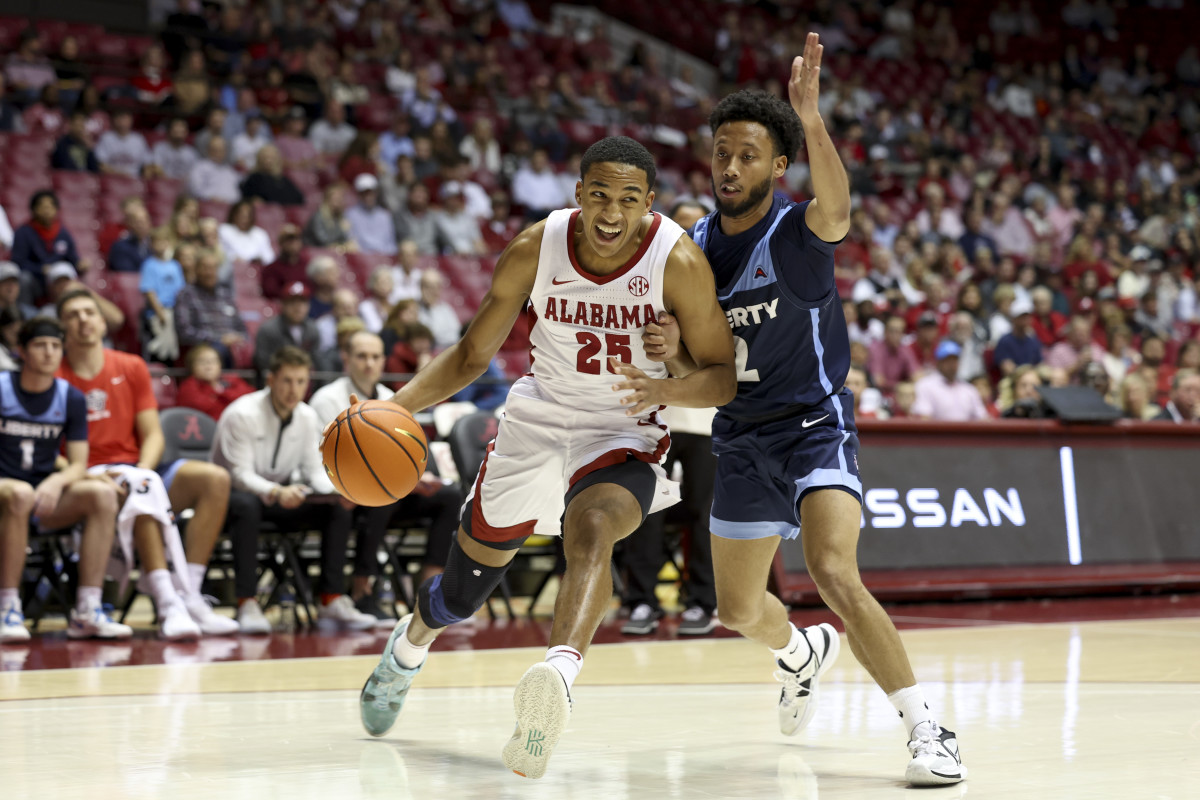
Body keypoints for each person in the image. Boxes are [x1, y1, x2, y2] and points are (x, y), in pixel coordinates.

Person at [357, 136, 736, 780]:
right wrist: (397, 405)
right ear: (577, 193)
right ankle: (408, 649)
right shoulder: (538, 247)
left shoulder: (678, 263)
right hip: (537, 419)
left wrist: (670, 375)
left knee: (591, 532)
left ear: (649, 204)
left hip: (624, 427)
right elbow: (473, 354)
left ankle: (557, 678)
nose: (611, 213)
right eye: (598, 196)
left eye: (627, 200)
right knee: (462, 593)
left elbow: (722, 378)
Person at [643, 38, 965, 785]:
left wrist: (810, 118)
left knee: (832, 572)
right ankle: (798, 652)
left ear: (777, 166)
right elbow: (703, 367)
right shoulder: (689, 254)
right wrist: (670, 356)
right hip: (742, 435)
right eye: (722, 153)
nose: (729, 167)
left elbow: (839, 205)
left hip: (816, 423)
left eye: (748, 155)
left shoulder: (795, 235)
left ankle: (928, 730)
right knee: (735, 610)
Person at [56, 289, 238, 639]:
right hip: (88, 476)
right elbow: (50, 444)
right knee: (140, 490)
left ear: (101, 319)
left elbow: (153, 434)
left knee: (214, 479)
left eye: (89, 312)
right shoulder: (57, 374)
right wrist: (74, 472)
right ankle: (168, 603)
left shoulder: (131, 365)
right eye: (73, 314)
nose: (83, 320)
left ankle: (190, 595)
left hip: (137, 467)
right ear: (63, 326)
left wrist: (142, 468)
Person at [211, 346, 378, 633]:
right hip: (229, 501)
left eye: (301, 382)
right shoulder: (241, 414)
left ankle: (331, 598)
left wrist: (340, 492)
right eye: (287, 381)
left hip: (279, 497)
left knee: (336, 507)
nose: (294, 389)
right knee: (246, 506)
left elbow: (315, 471)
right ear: (271, 380)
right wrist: (276, 492)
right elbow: (239, 475)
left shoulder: (306, 416)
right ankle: (247, 602)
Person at [309, 331, 463, 619]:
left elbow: (411, 448)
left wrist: (421, 476)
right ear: (346, 358)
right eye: (362, 356)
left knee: (450, 496)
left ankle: (429, 586)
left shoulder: (392, 398)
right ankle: (362, 587)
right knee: (382, 493)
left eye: (376, 356)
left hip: (390, 490)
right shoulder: (327, 399)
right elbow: (319, 461)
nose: (370, 363)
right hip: (348, 493)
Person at [0, 318, 131, 642]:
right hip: (7, 490)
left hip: (42, 494)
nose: (49, 353)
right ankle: (7, 608)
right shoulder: (2, 388)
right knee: (19, 493)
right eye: (40, 345)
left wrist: (56, 482)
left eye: (56, 346)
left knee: (102, 495)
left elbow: (77, 464)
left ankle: (87, 609)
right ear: (22, 352)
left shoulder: (70, 397)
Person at [174, 249, 248, 368]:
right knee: (219, 351)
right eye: (205, 268)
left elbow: (241, 328)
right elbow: (185, 332)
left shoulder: (225, 295)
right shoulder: (185, 295)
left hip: (232, 347)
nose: (210, 272)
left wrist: (238, 338)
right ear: (196, 269)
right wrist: (219, 339)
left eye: (214, 268)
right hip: (203, 349)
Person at [10, 191, 82, 300]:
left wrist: (80, 264)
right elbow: (18, 262)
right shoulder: (24, 232)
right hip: (35, 279)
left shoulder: (63, 232)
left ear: (56, 210)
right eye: (42, 207)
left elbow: (72, 258)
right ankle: (25, 310)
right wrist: (40, 269)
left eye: (50, 207)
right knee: (24, 278)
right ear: (34, 209)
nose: (47, 211)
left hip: (56, 279)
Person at [911, 341, 988, 421]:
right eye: (947, 360)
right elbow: (924, 418)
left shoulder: (968, 389)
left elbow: (983, 418)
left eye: (954, 360)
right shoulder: (925, 385)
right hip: (937, 432)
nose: (951, 364)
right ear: (939, 362)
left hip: (964, 433)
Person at [175, 343, 254, 420]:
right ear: (192, 366)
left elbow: (249, 399)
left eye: (213, 361)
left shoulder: (232, 380)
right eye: (202, 362)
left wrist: (220, 395)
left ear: (220, 365)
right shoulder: (188, 387)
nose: (208, 366)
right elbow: (207, 408)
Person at [253, 281, 320, 372]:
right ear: (283, 304)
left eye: (302, 302)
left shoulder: (312, 329)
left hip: (304, 380)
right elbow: (263, 362)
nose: (298, 307)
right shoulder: (268, 330)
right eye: (292, 302)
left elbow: (316, 360)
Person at [345, 174, 398, 256]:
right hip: (360, 259)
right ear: (359, 195)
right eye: (364, 193)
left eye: (371, 193)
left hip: (383, 258)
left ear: (376, 194)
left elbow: (391, 244)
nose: (368, 197)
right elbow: (351, 240)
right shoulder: (350, 215)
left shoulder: (385, 216)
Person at [239, 144, 304, 206]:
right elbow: (247, 198)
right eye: (265, 158)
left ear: (277, 160)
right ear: (259, 159)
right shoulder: (254, 179)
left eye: (271, 158)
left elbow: (299, 198)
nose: (268, 161)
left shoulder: (283, 180)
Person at [95, 108, 151, 178]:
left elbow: (148, 164)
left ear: (131, 121)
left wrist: (145, 179)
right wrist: (120, 174)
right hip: (111, 179)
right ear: (114, 120)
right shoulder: (106, 138)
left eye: (125, 119)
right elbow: (101, 164)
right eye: (120, 119)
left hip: (134, 180)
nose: (123, 123)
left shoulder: (138, 139)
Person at [416, 271, 460, 349]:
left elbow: (456, 334)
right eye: (428, 286)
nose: (433, 290)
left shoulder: (446, 309)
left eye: (436, 287)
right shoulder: (414, 308)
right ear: (421, 288)